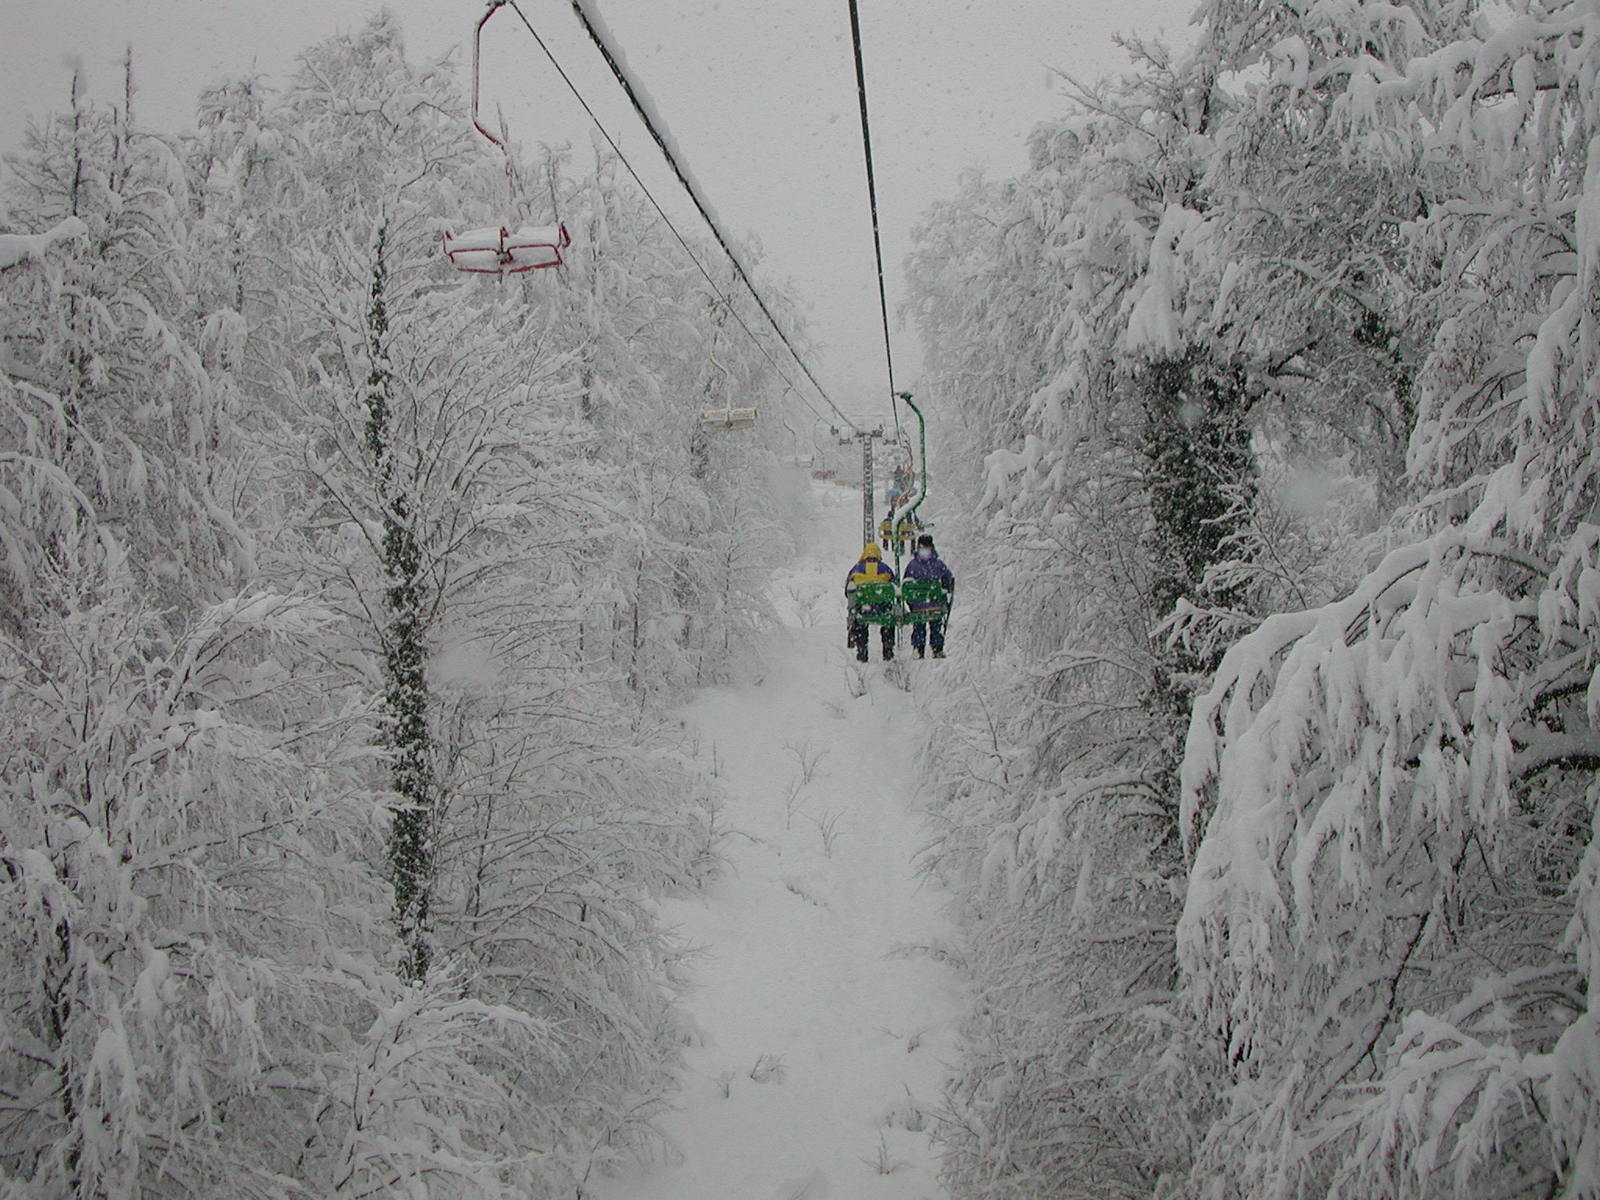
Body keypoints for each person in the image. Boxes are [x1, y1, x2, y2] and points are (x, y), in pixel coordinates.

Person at [902, 533, 955, 659]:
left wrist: (912, 604)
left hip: (918, 606)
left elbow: (906, 586)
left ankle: (918, 648)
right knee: (936, 624)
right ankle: (937, 648)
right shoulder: (938, 565)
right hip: (934, 605)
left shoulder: (912, 566)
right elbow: (948, 580)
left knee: (919, 624)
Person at [844, 542, 897, 663]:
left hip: (864, 609)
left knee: (860, 624)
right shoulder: (885, 568)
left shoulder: (856, 569)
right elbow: (894, 587)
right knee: (888, 622)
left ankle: (862, 652)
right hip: (882, 608)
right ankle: (888, 650)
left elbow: (848, 590)